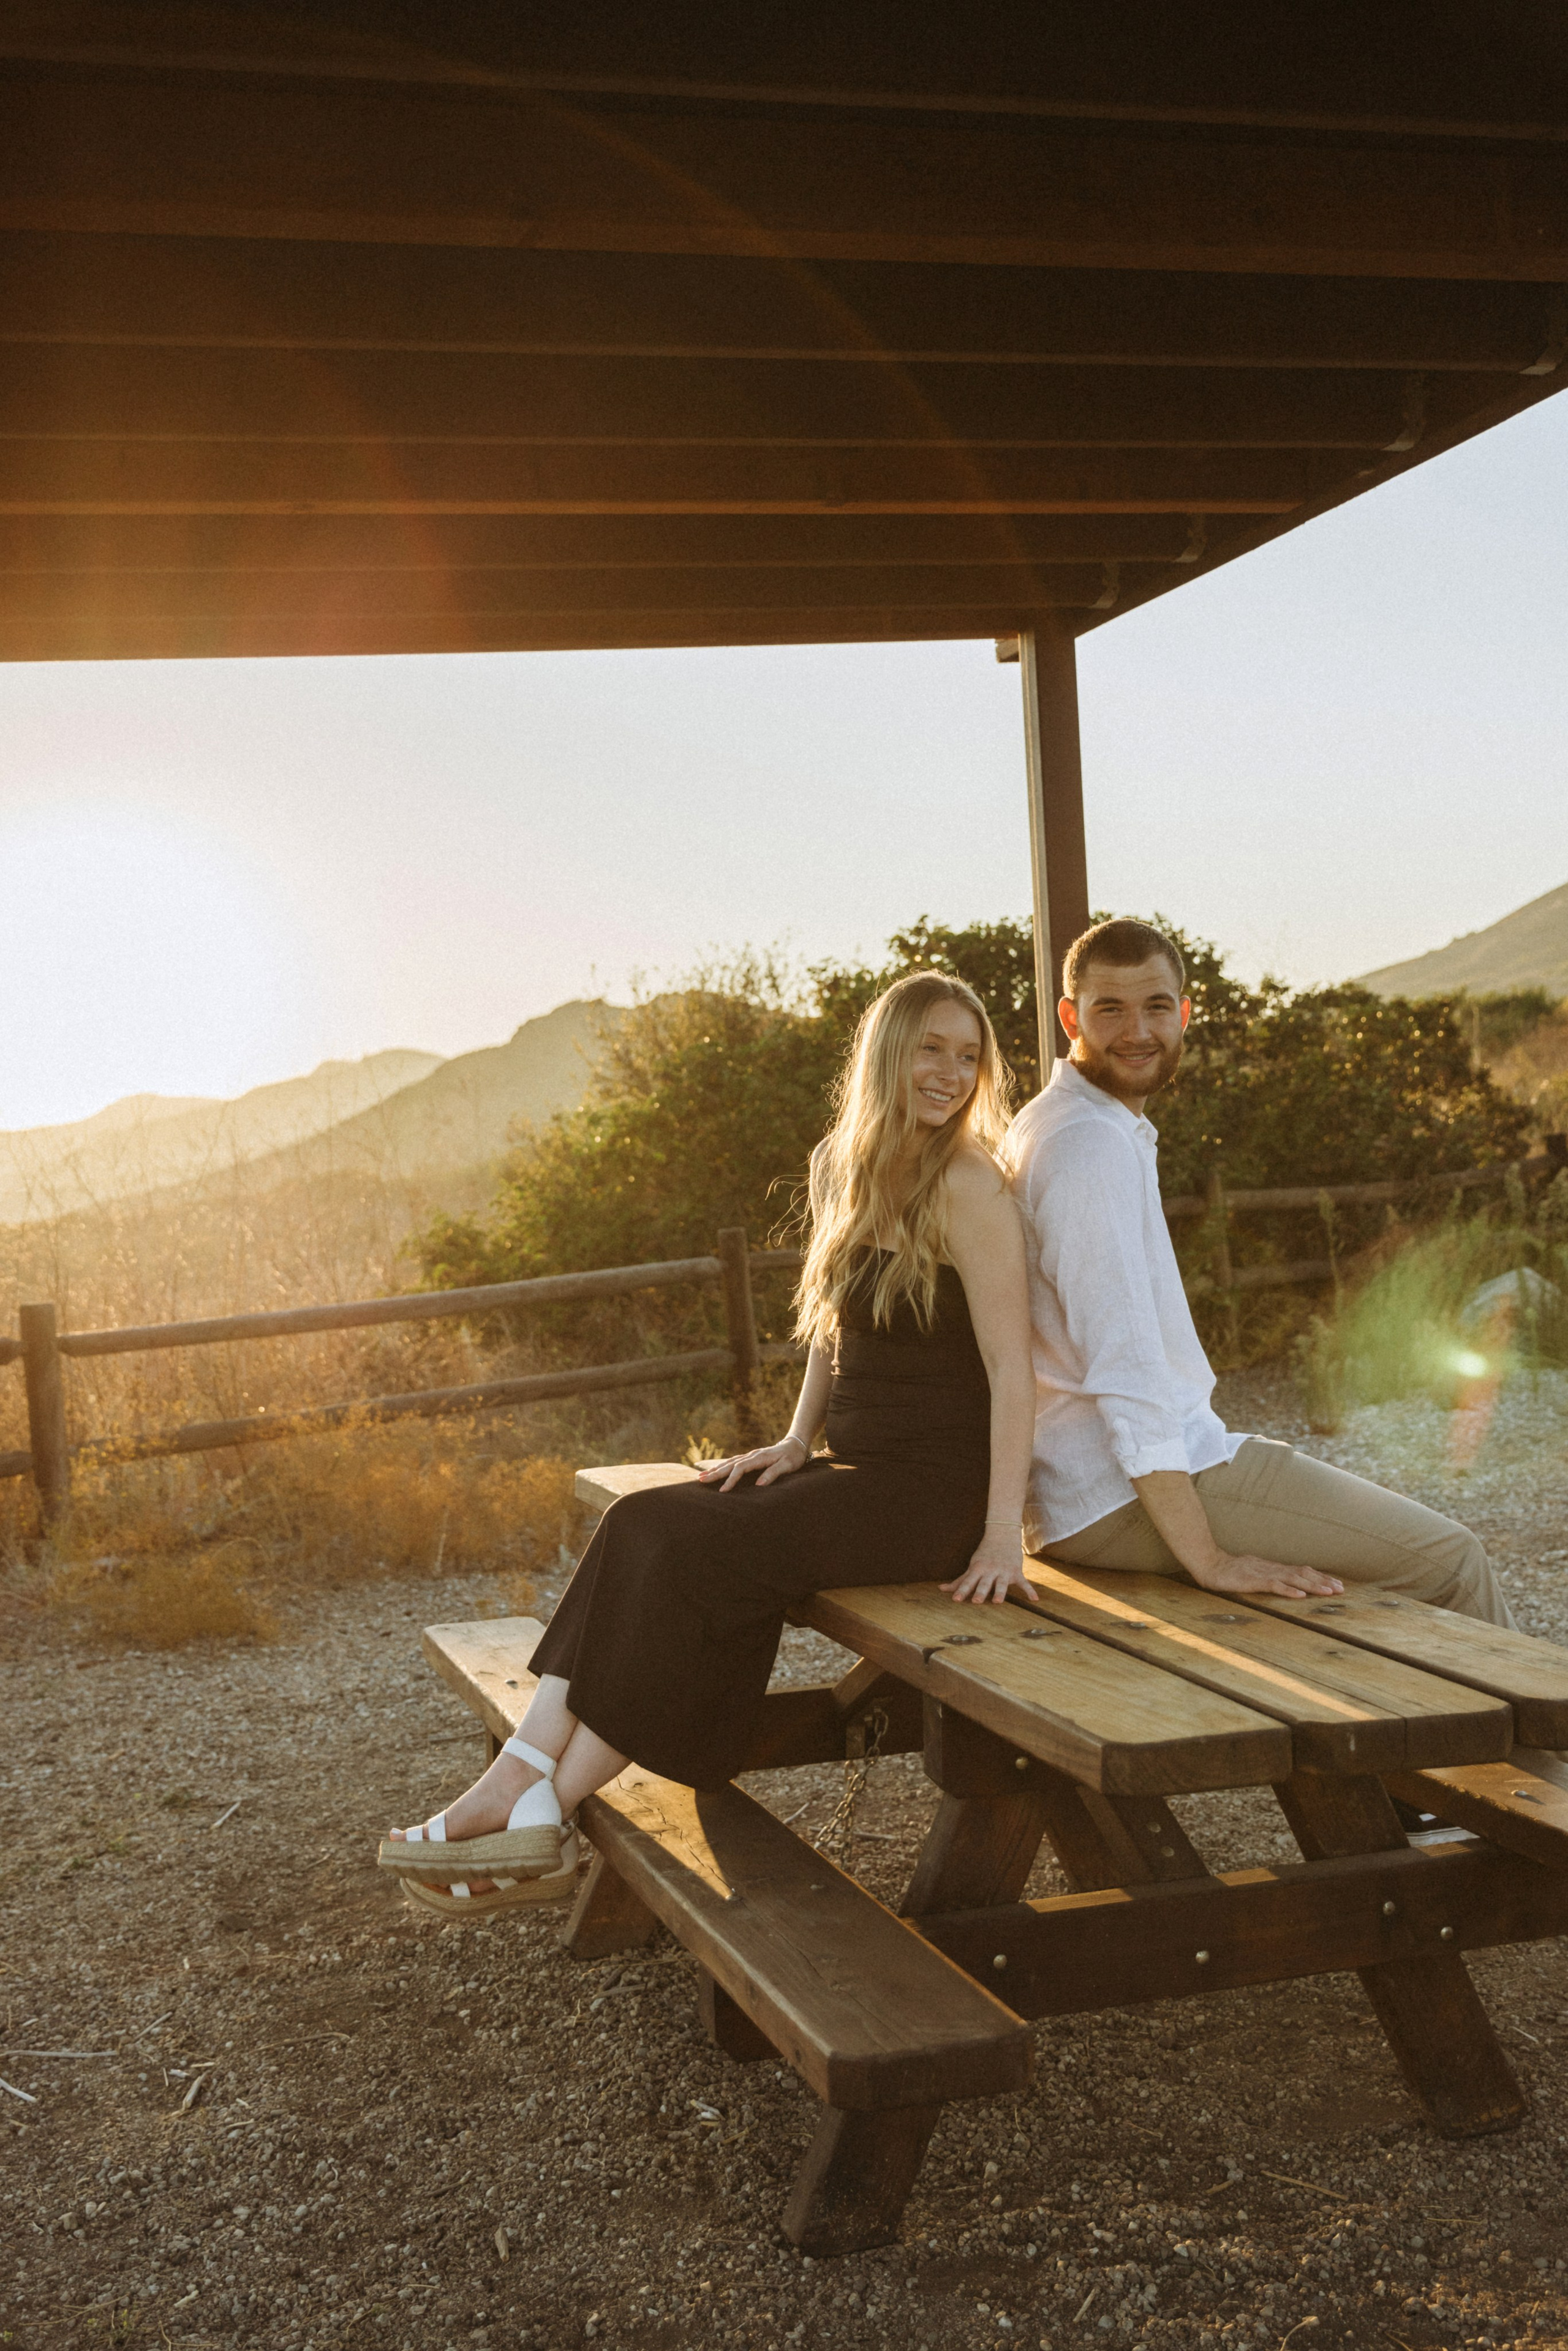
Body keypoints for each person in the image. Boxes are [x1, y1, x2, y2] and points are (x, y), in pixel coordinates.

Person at [378, 969, 1036, 1915]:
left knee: (692, 1551)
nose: (952, 1072)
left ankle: (540, 1807)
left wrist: (1002, 1528)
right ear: (888, 1052)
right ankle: (525, 1791)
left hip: (933, 1493)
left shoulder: (969, 1183)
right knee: (645, 1522)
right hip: (852, 1470)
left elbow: (1014, 1367)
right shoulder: (839, 1164)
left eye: (969, 1056)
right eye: (932, 1047)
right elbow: (833, 1332)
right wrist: (797, 1439)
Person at [1006, 916, 1517, 1625]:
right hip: (1123, 1493)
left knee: (1371, 1587)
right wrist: (1209, 1559)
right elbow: (1124, 1370)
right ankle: (1542, 1743)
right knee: (1455, 1562)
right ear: (1071, 1017)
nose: (1138, 1031)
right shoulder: (1087, 1145)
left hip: (1109, 1485)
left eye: (1156, 1006)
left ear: (1185, 1012)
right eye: (1109, 1009)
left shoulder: (1066, 1121)